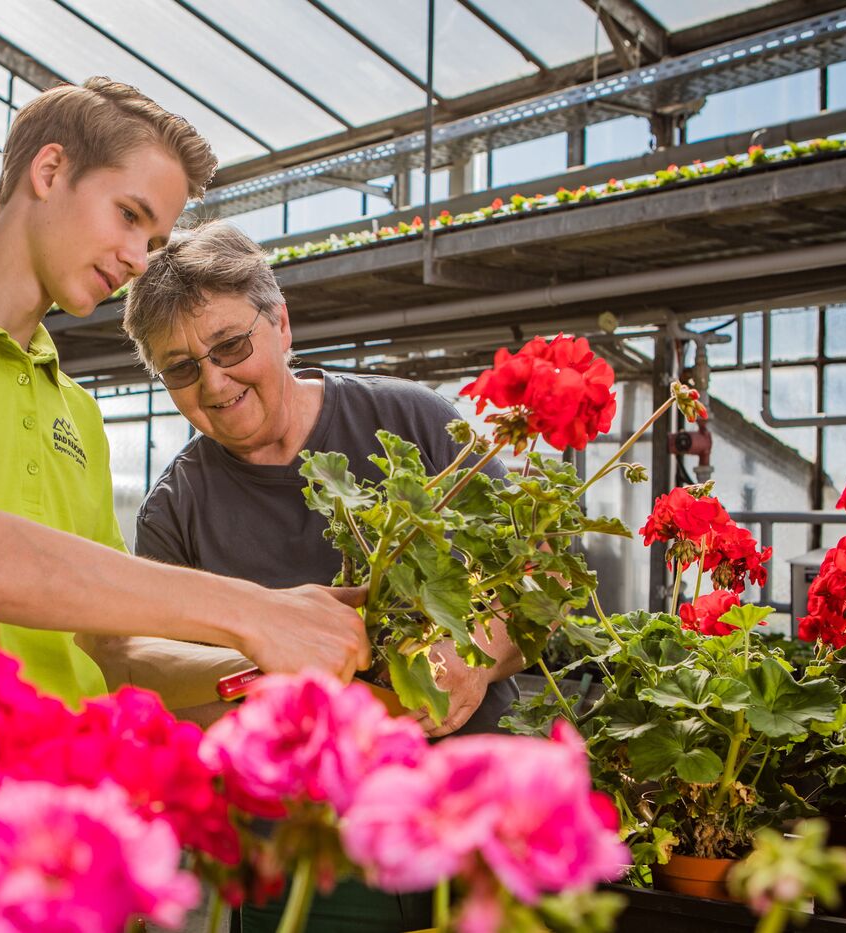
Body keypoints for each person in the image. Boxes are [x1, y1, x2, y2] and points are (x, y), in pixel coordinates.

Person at [0, 80, 370, 929]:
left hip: (60, 874)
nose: (142, 256)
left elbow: (112, 650)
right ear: (51, 169)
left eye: (158, 235)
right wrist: (253, 611)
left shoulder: (78, 412)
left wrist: (285, 681)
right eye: (130, 215)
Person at [91, 221, 524, 933]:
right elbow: (153, 679)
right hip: (306, 860)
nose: (215, 381)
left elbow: (538, 587)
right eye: (180, 368)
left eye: (230, 346)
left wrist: (473, 653)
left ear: (282, 323)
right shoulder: (178, 506)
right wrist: (268, 675)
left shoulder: (410, 418)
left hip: (472, 815)